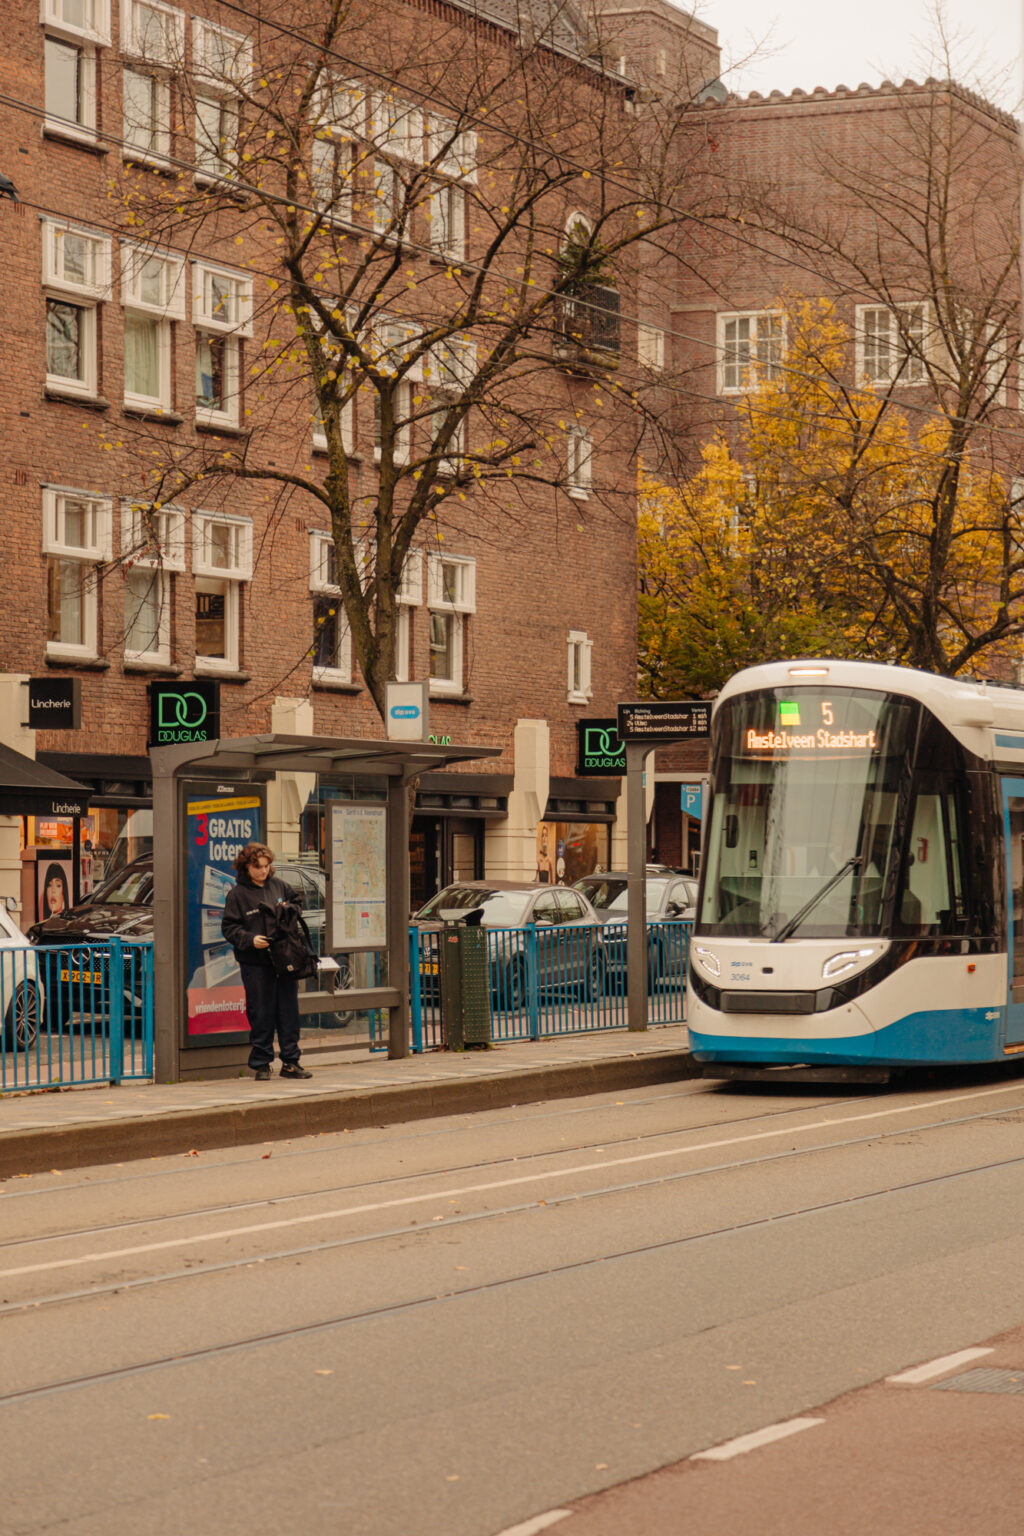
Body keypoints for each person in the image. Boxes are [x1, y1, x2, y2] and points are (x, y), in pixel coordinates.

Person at [221, 842, 313, 1081]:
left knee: (288, 1012)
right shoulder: (237, 895)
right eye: (257, 867)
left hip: (285, 960)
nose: (263, 870)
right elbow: (230, 928)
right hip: (256, 962)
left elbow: (298, 905)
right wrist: (251, 939)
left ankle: (291, 1062)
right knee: (260, 1012)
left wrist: (288, 909)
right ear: (246, 867)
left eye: (266, 866)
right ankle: (261, 1064)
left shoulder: (279, 885)